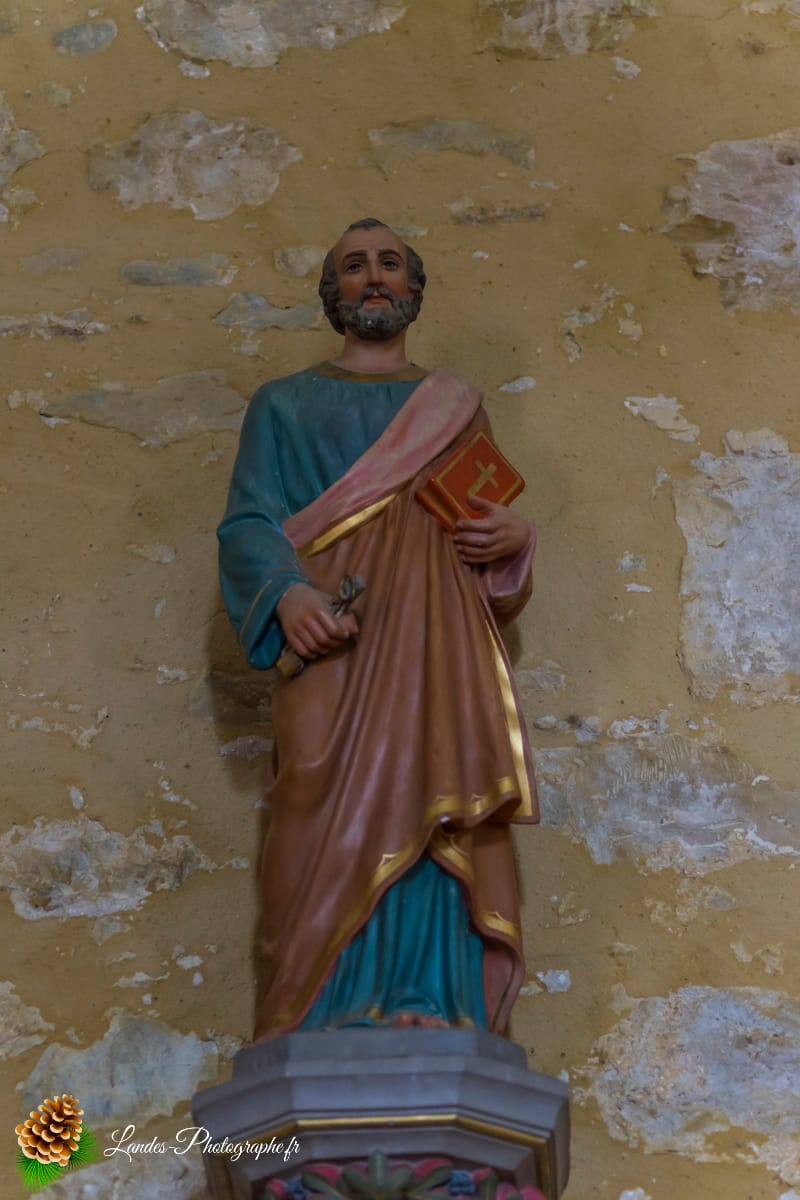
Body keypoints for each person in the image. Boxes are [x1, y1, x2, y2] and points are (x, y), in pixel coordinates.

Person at [217, 218, 539, 1042]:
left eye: (389, 264)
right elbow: (250, 522)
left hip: (438, 649)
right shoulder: (284, 404)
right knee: (312, 799)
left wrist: (512, 545)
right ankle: (311, 1011)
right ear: (333, 295)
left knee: (438, 801)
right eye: (354, 266)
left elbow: (486, 530)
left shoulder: (455, 406)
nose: (372, 278)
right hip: (334, 642)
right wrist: (287, 595)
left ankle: (434, 1004)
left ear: (413, 290)